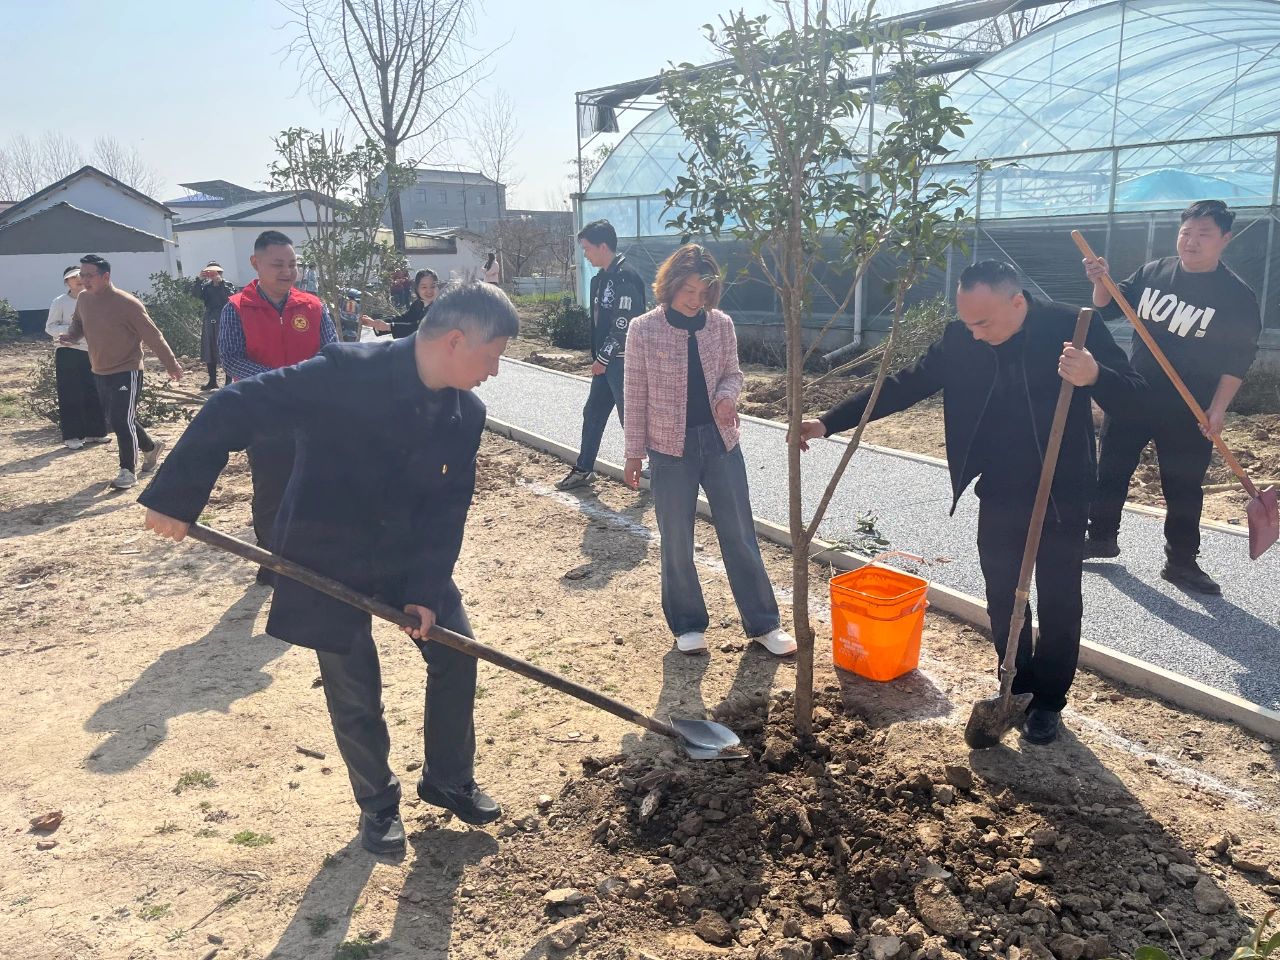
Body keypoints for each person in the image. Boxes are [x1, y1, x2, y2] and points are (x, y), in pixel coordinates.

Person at [139, 282, 518, 856]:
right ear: (457, 340)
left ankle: (448, 779)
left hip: (407, 553)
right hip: (328, 554)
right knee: (354, 688)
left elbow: (448, 509)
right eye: (492, 357)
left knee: (457, 652)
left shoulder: (466, 412)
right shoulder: (345, 374)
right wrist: (175, 498)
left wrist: (424, 589)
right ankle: (378, 805)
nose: (494, 371)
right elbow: (231, 405)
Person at [797, 261, 1142, 745]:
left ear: (1016, 302)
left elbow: (1138, 398)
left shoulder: (1074, 327)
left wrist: (1095, 375)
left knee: (1060, 599)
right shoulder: (962, 338)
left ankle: (1049, 700)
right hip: (1000, 485)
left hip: (1063, 487)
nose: (974, 334)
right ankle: (1016, 684)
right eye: (967, 322)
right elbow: (905, 384)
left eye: (983, 322)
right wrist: (829, 422)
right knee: (1003, 594)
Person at [623, 244, 796, 657]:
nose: (695, 299)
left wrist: (726, 396)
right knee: (676, 539)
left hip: (721, 442)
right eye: (688, 289)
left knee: (738, 533)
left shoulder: (720, 324)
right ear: (670, 284)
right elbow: (634, 393)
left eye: (703, 292)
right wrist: (633, 453)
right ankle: (687, 624)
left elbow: (733, 373)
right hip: (669, 448)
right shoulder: (643, 329)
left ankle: (764, 623)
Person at [1082, 200, 1261, 596]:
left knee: (1182, 484)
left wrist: (1217, 410)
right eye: (1185, 233)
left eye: (1203, 234)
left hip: (1189, 405)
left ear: (1224, 240)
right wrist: (1100, 280)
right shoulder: (1154, 272)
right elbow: (1108, 306)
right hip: (1135, 392)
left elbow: (1238, 359)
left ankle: (1181, 561)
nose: (1191, 242)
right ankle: (1101, 537)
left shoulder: (1235, 296)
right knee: (1111, 467)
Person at [218, 230, 337, 581]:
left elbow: (331, 353)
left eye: (292, 264)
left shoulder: (313, 306)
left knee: (314, 485)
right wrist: (280, 381)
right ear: (256, 264)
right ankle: (274, 561)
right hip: (263, 414)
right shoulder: (237, 308)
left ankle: (311, 559)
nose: (287, 271)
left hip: (310, 412)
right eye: (277, 264)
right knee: (271, 487)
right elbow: (231, 357)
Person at [62, 255, 183, 489]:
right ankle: (150, 447)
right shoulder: (84, 299)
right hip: (98, 368)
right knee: (120, 418)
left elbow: (153, 336)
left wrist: (171, 364)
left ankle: (127, 471)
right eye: (82, 275)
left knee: (120, 419)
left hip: (127, 369)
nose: (84, 280)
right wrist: (72, 336)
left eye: (89, 275)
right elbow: (78, 322)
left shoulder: (127, 303)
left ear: (105, 276)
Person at [557, 220, 647, 491]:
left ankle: (659, 467)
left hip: (621, 362)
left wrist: (603, 359)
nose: (585, 254)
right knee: (593, 412)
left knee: (629, 417)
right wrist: (599, 359)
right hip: (605, 364)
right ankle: (584, 468)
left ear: (603, 246)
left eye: (587, 248)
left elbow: (624, 324)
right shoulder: (601, 278)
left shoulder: (626, 277)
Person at [45, 265, 108, 450]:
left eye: (80, 276)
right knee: (71, 393)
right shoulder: (60, 302)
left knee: (94, 390)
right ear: (67, 282)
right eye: (73, 278)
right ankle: (72, 435)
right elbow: (50, 327)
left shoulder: (94, 299)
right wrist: (71, 332)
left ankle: (95, 432)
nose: (78, 280)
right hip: (68, 352)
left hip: (92, 351)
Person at [192, 261, 236, 390]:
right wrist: (199, 280)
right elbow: (196, 295)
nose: (212, 274)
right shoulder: (206, 286)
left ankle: (229, 381)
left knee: (225, 348)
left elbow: (230, 297)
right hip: (209, 318)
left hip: (225, 318)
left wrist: (220, 283)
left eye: (215, 271)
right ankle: (212, 381)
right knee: (209, 349)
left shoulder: (227, 285)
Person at [361, 269, 440, 339]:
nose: (429, 291)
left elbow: (418, 328)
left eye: (432, 286)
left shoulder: (441, 307)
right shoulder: (418, 304)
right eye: (424, 287)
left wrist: (389, 327)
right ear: (417, 289)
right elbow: (404, 318)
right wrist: (375, 323)